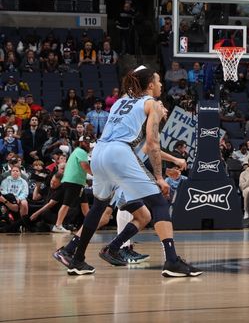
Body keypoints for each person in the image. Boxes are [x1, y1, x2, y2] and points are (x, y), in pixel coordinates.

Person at [52, 66, 201, 277]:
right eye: (158, 81)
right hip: (119, 153)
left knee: (99, 208)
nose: (160, 85)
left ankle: (77, 258)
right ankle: (172, 261)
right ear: (150, 85)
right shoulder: (153, 103)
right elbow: (152, 142)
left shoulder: (121, 101)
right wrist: (159, 177)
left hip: (99, 152)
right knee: (159, 202)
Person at [52, 136, 92, 233]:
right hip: (73, 182)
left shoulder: (78, 151)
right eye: (85, 142)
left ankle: (91, 224)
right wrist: (95, 174)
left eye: (88, 142)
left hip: (77, 182)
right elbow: (85, 166)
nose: (87, 144)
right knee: (66, 204)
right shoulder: (81, 152)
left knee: (84, 204)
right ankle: (57, 225)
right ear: (80, 142)